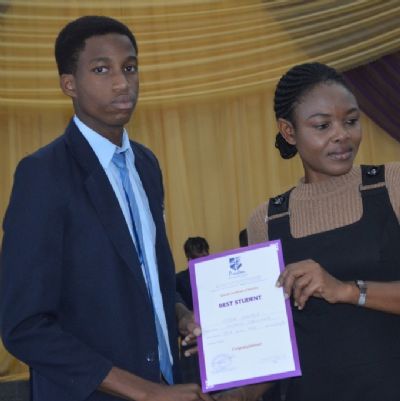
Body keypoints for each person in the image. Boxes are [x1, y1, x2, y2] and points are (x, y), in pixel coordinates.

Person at [0, 16, 213, 401]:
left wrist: (178, 312)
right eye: (102, 70)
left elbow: (146, 274)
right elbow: (24, 326)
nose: (121, 83)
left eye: (129, 68)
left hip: (169, 384)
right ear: (69, 84)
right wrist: (144, 392)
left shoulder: (146, 164)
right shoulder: (43, 174)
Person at [223, 62, 400, 401]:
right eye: (322, 125)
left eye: (351, 121)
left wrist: (346, 290)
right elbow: (273, 341)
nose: (342, 135)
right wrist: (239, 392)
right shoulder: (266, 220)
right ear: (289, 132)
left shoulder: (392, 183)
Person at [176, 237, 210, 311]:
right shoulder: (179, 280)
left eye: (206, 250)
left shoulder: (216, 275)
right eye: (199, 251)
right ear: (189, 258)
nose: (205, 253)